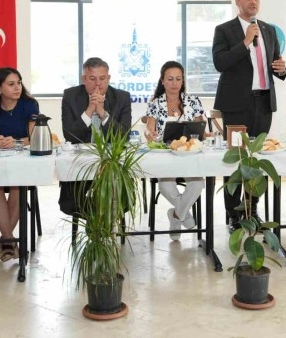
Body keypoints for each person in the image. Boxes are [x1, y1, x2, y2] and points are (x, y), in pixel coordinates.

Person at [212, 0, 286, 232]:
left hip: (263, 102)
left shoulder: (269, 30)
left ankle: (252, 209)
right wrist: (245, 42)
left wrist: (282, 69)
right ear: (238, 2)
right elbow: (220, 63)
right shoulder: (224, 30)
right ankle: (234, 215)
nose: (252, 2)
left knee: (257, 159)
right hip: (236, 105)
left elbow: (275, 64)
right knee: (236, 159)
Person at [59, 57, 132, 215]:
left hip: (111, 162)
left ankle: (100, 222)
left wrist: (102, 113)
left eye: (102, 78)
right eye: (92, 79)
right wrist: (90, 109)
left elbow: (123, 136)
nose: (98, 84)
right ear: (84, 79)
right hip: (80, 163)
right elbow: (70, 135)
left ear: (109, 78)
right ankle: (100, 220)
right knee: (69, 202)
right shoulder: (70, 96)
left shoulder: (122, 97)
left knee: (123, 199)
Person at [0, 67, 39, 261]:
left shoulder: (29, 105)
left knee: (18, 185)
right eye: (11, 84)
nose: (17, 87)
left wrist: (17, 142)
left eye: (19, 83)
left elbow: (34, 137)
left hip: (22, 163)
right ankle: (9, 241)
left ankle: (6, 242)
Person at [145, 61, 206, 240]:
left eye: (178, 79)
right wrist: (150, 134)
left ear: (183, 81)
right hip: (165, 157)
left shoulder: (193, 101)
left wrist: (206, 133)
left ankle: (176, 215)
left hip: (189, 155)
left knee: (198, 184)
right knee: (165, 186)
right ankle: (183, 215)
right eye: (170, 79)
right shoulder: (155, 103)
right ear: (162, 80)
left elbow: (200, 129)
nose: (174, 83)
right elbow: (149, 129)